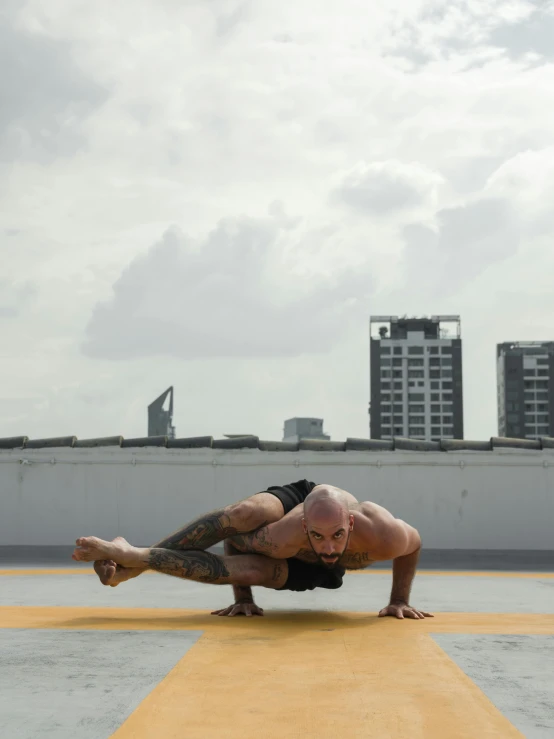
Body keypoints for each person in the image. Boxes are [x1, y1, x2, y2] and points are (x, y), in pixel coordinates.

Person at [72, 480, 432, 620]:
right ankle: (132, 556)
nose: (328, 547)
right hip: (293, 509)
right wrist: (242, 596)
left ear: (351, 524)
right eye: (318, 537)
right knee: (241, 516)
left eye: (337, 536)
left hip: (316, 567)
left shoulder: (383, 533)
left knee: (259, 570)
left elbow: (412, 546)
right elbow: (233, 539)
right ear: (305, 526)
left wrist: (399, 599)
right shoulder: (283, 534)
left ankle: (130, 559)